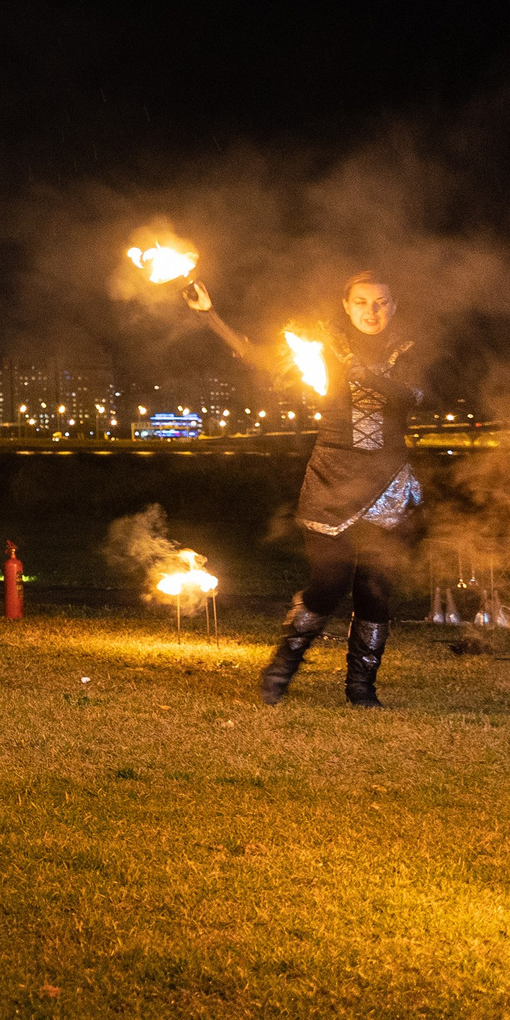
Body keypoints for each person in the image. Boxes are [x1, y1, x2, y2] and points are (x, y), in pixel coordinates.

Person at [188, 271, 424, 707]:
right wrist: (210, 315)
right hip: (332, 479)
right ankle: (281, 670)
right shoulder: (325, 346)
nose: (371, 311)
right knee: (328, 583)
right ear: (346, 306)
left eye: (380, 302)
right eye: (361, 302)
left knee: (375, 588)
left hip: (388, 483)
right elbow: (256, 355)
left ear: (394, 307)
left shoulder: (408, 350)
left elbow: (409, 396)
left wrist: (361, 374)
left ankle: (361, 687)